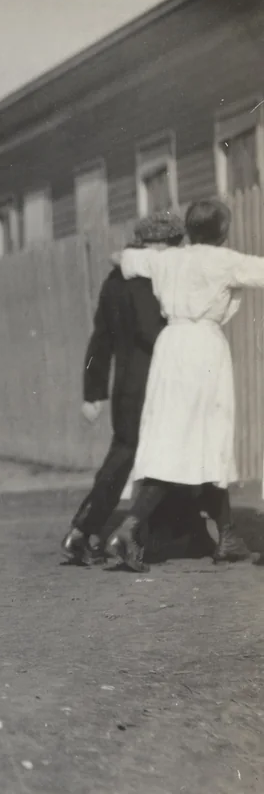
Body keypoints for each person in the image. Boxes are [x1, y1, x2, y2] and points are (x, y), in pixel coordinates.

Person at [105, 199, 263, 571]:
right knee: (203, 439)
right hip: (204, 352)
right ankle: (132, 529)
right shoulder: (224, 261)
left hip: (170, 347)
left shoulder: (168, 259)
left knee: (175, 439)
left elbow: (122, 259)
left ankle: (226, 534)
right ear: (222, 232)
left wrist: (148, 255)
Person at [61, 211, 211, 565]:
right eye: (174, 245)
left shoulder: (115, 280)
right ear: (160, 246)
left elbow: (100, 340)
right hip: (154, 384)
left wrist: (93, 392)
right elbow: (151, 329)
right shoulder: (147, 281)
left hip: (125, 385)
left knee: (123, 456)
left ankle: (83, 532)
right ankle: (135, 534)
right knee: (163, 457)